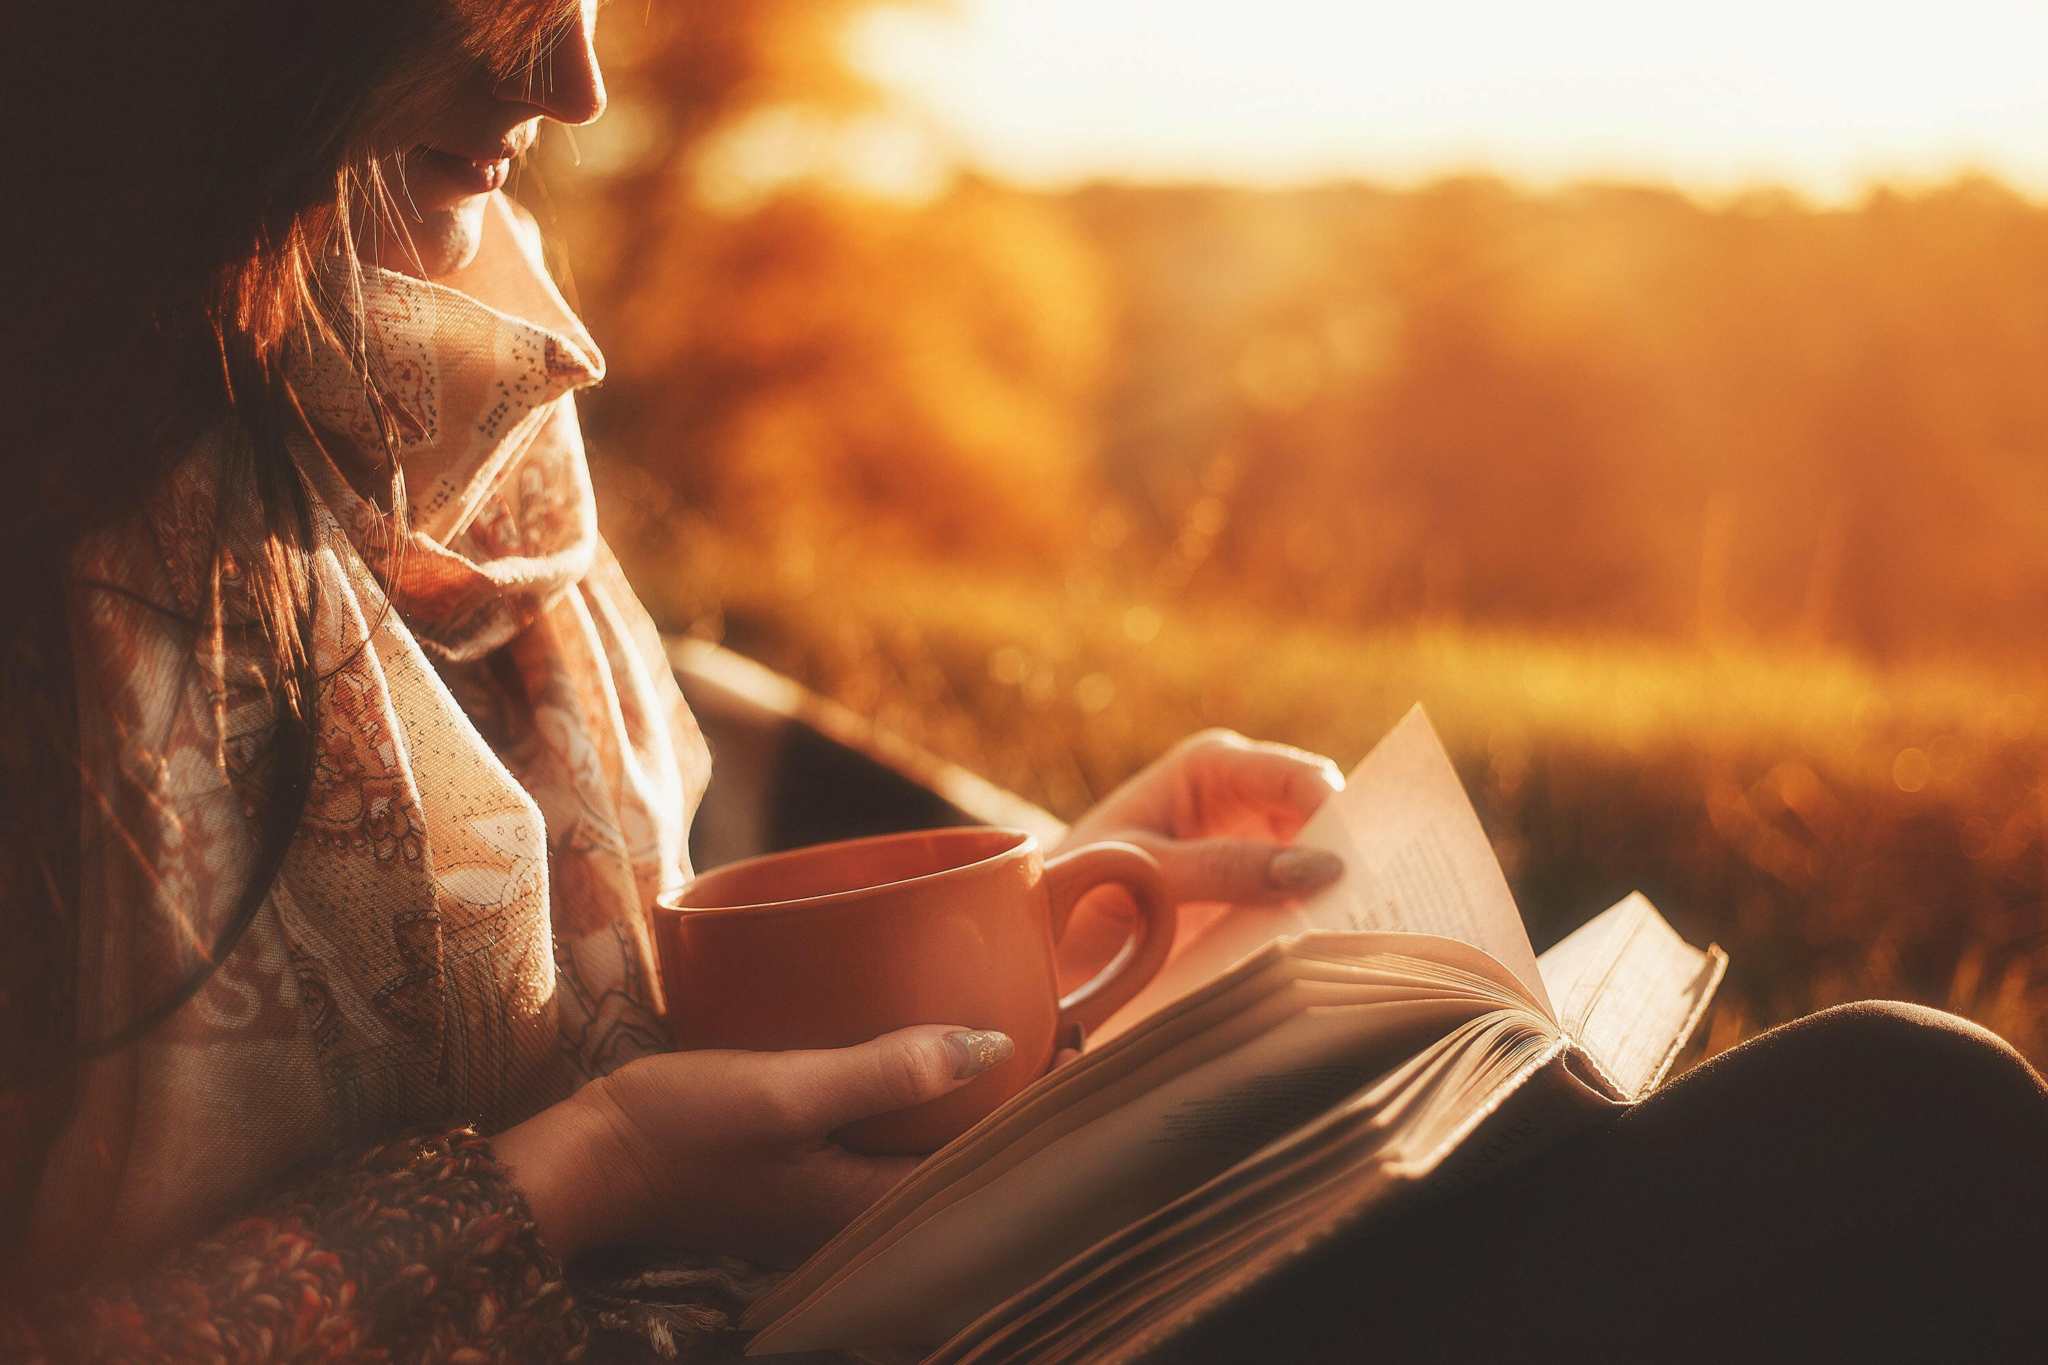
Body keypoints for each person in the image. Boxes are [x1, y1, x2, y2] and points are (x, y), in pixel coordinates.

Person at [2, 2, 2043, 1361]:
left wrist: (1028, 910)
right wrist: (588, 1177)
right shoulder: (59, 562)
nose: (579, 72)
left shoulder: (447, 386)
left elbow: (613, 956)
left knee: (1895, 1113)